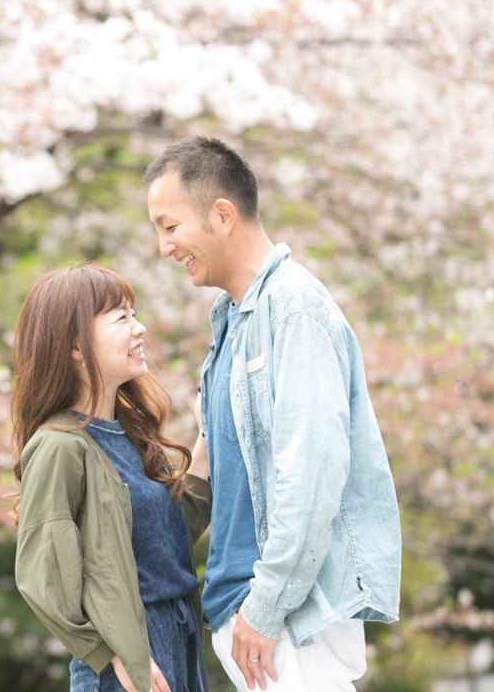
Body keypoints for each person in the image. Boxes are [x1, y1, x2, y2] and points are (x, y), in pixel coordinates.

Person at [144, 136, 401, 691]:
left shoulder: (294, 309)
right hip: (249, 612)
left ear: (222, 214)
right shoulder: (232, 319)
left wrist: (266, 606)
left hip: (285, 617)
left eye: (169, 226)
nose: (164, 247)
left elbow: (311, 475)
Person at [11, 264, 213, 692]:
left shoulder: (130, 434)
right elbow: (40, 575)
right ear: (74, 346)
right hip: (126, 661)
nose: (139, 329)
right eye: (122, 318)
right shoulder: (59, 445)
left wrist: (209, 438)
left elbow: (168, 539)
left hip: (179, 636)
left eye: (133, 314)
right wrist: (111, 654)